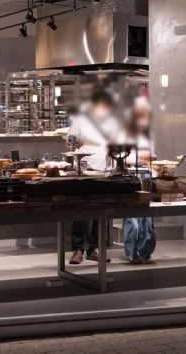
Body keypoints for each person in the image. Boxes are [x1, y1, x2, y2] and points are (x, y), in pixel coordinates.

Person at [66, 86, 121, 264]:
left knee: (100, 212)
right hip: (83, 170)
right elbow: (69, 141)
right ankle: (78, 249)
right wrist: (75, 142)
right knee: (80, 210)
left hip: (103, 169)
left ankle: (94, 248)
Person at [123, 94, 157, 264]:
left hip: (146, 175)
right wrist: (140, 157)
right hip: (131, 177)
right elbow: (120, 157)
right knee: (132, 218)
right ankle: (132, 252)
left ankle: (145, 251)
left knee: (147, 217)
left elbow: (152, 155)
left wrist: (151, 158)